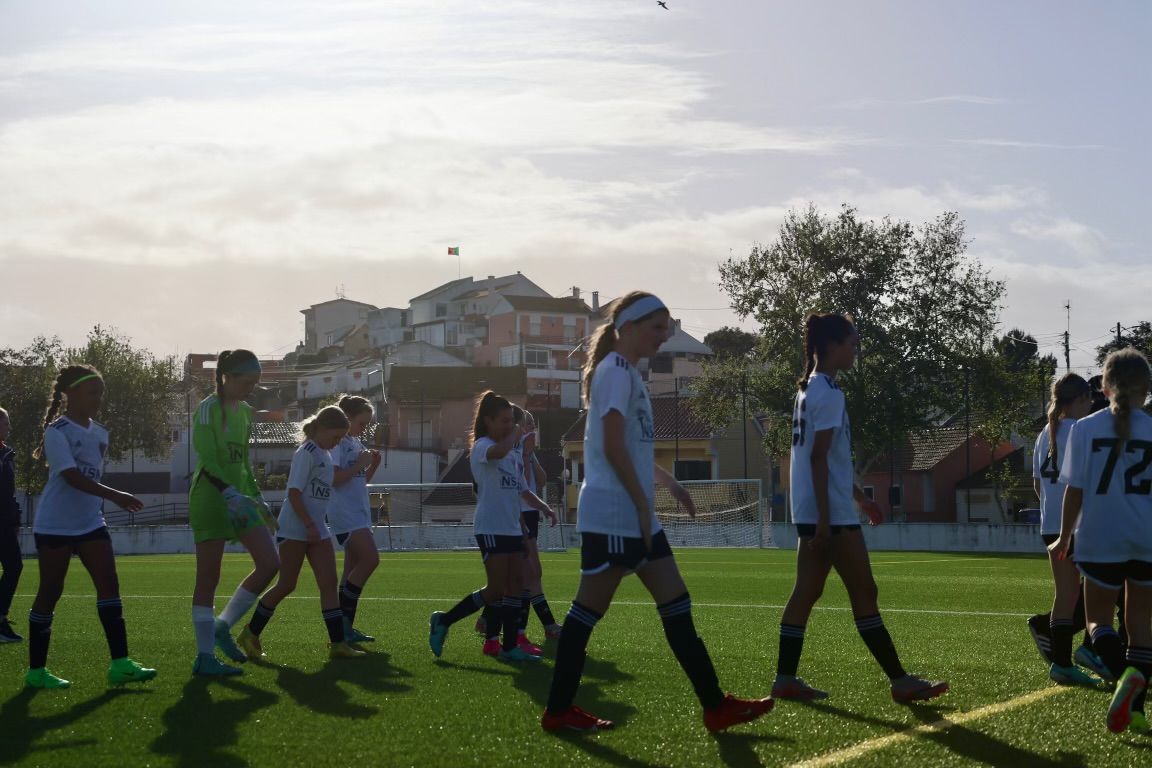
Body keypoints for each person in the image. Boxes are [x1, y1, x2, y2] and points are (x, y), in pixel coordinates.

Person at [542, 291, 773, 733]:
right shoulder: (614, 372)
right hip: (614, 514)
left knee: (677, 605)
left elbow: (629, 445)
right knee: (586, 614)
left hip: (634, 514)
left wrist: (669, 484)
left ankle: (715, 705)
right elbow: (609, 447)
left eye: (666, 329)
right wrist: (637, 503)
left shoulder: (627, 373)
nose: (663, 337)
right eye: (657, 328)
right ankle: (558, 710)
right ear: (627, 326)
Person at [773, 312, 947, 704]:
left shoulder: (808, 390)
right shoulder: (829, 393)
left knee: (807, 592)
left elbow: (827, 461)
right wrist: (825, 519)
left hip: (815, 510)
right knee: (864, 591)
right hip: (828, 516)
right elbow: (818, 459)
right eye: (852, 343)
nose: (856, 349)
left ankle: (784, 678)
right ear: (832, 346)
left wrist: (859, 497)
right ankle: (900, 680)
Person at [24, 365, 157, 689]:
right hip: (55, 524)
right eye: (92, 392)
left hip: (90, 523)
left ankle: (120, 664)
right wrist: (116, 495)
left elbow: (90, 477)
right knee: (51, 591)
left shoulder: (100, 432)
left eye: (101, 393)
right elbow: (71, 476)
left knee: (109, 585)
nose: (98, 399)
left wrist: (107, 498)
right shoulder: (57, 431)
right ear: (70, 394)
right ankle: (37, 672)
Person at [1051, 347, 1152, 733]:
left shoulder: (1084, 428)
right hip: (1146, 536)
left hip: (1100, 536)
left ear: (1104, 387)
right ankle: (1137, 711)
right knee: (1140, 624)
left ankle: (1125, 675)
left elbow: (1074, 491)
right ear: (1146, 389)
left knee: (1096, 621)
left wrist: (1063, 538)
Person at [429, 391, 553, 663]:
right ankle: (445, 620)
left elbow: (520, 491)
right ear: (488, 421)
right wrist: (516, 436)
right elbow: (500, 450)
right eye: (504, 421)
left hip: (511, 528)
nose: (510, 426)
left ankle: (509, 647)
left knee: (518, 586)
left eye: (512, 421)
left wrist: (543, 508)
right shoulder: (484, 446)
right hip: (491, 528)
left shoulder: (511, 455)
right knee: (496, 589)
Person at [236, 405, 366, 660]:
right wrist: (308, 524)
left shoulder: (327, 456)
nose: (337, 442)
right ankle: (250, 633)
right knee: (286, 584)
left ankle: (338, 643)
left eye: (341, 438)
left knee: (329, 584)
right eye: (336, 436)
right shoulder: (305, 453)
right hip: (296, 529)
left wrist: (316, 525)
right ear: (323, 428)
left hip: (317, 529)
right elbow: (293, 493)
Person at [189, 349, 281, 676]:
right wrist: (227, 491)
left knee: (271, 563)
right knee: (209, 577)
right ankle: (204, 658)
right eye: (248, 381)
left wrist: (259, 499)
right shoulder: (207, 409)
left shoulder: (244, 412)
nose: (252, 388)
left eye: (256, 382)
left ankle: (222, 626)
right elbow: (208, 456)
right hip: (211, 499)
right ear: (227, 377)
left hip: (240, 500)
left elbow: (243, 464)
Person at [1029, 373, 1105, 685]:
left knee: (1067, 596)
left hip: (1051, 526)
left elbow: (1036, 483)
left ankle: (1062, 664)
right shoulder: (1082, 430)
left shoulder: (1045, 432)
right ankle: (1090, 650)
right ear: (1083, 399)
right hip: (1079, 525)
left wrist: (1052, 508)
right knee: (1110, 587)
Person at [330, 395, 382, 645]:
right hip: (346, 513)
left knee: (351, 569)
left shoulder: (354, 441)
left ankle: (345, 627)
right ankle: (343, 625)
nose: (365, 428)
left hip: (357, 511)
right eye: (362, 423)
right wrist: (361, 462)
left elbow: (358, 479)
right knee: (371, 559)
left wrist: (371, 467)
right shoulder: (337, 443)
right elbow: (335, 477)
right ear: (348, 418)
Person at [517, 411, 562, 645]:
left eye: (534, 423)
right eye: (528, 424)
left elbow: (541, 480)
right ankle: (547, 626)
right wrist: (525, 454)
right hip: (521, 514)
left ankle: (488, 618)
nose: (532, 428)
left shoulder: (529, 452)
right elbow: (522, 482)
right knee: (531, 573)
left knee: (523, 575)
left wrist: (530, 455)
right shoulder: (516, 451)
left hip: (531, 513)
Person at [0, 406, 25, 643]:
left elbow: (8, 493)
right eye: (6, 422)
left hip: (5, 522)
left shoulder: (7, 454)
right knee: (14, 567)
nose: (9, 427)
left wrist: (15, 517)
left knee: (14, 567)